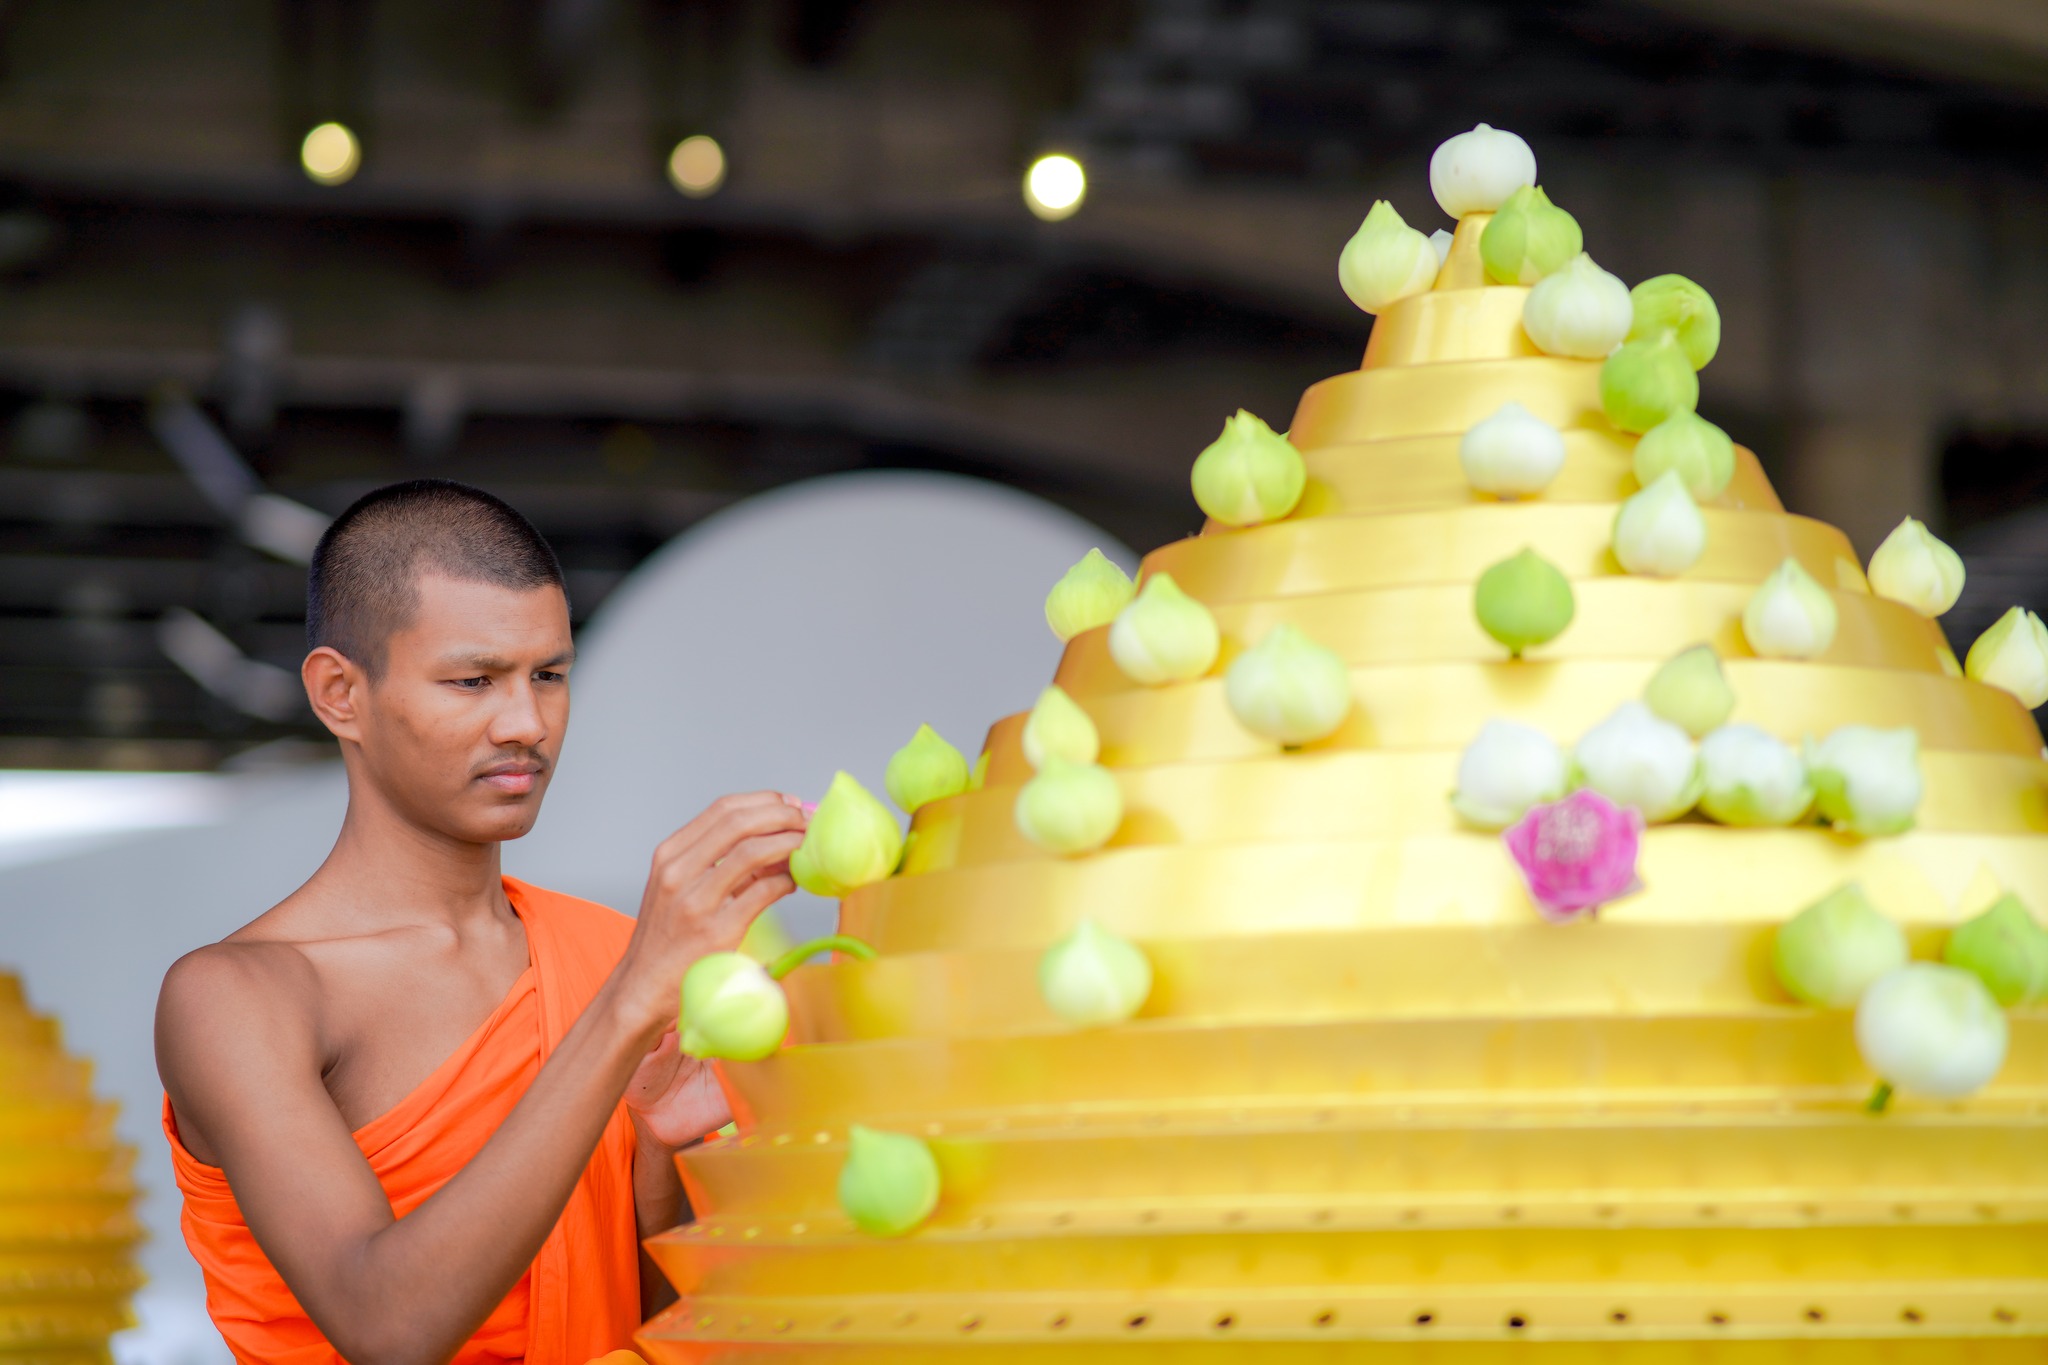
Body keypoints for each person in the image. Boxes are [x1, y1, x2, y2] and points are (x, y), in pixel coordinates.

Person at [155, 479, 810, 1365]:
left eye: (550, 675)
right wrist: (621, 1010)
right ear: (340, 693)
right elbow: (387, 1325)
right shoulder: (239, 996)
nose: (526, 723)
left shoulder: (606, 953)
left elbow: (652, 1331)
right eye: (474, 680)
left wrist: (665, 1156)